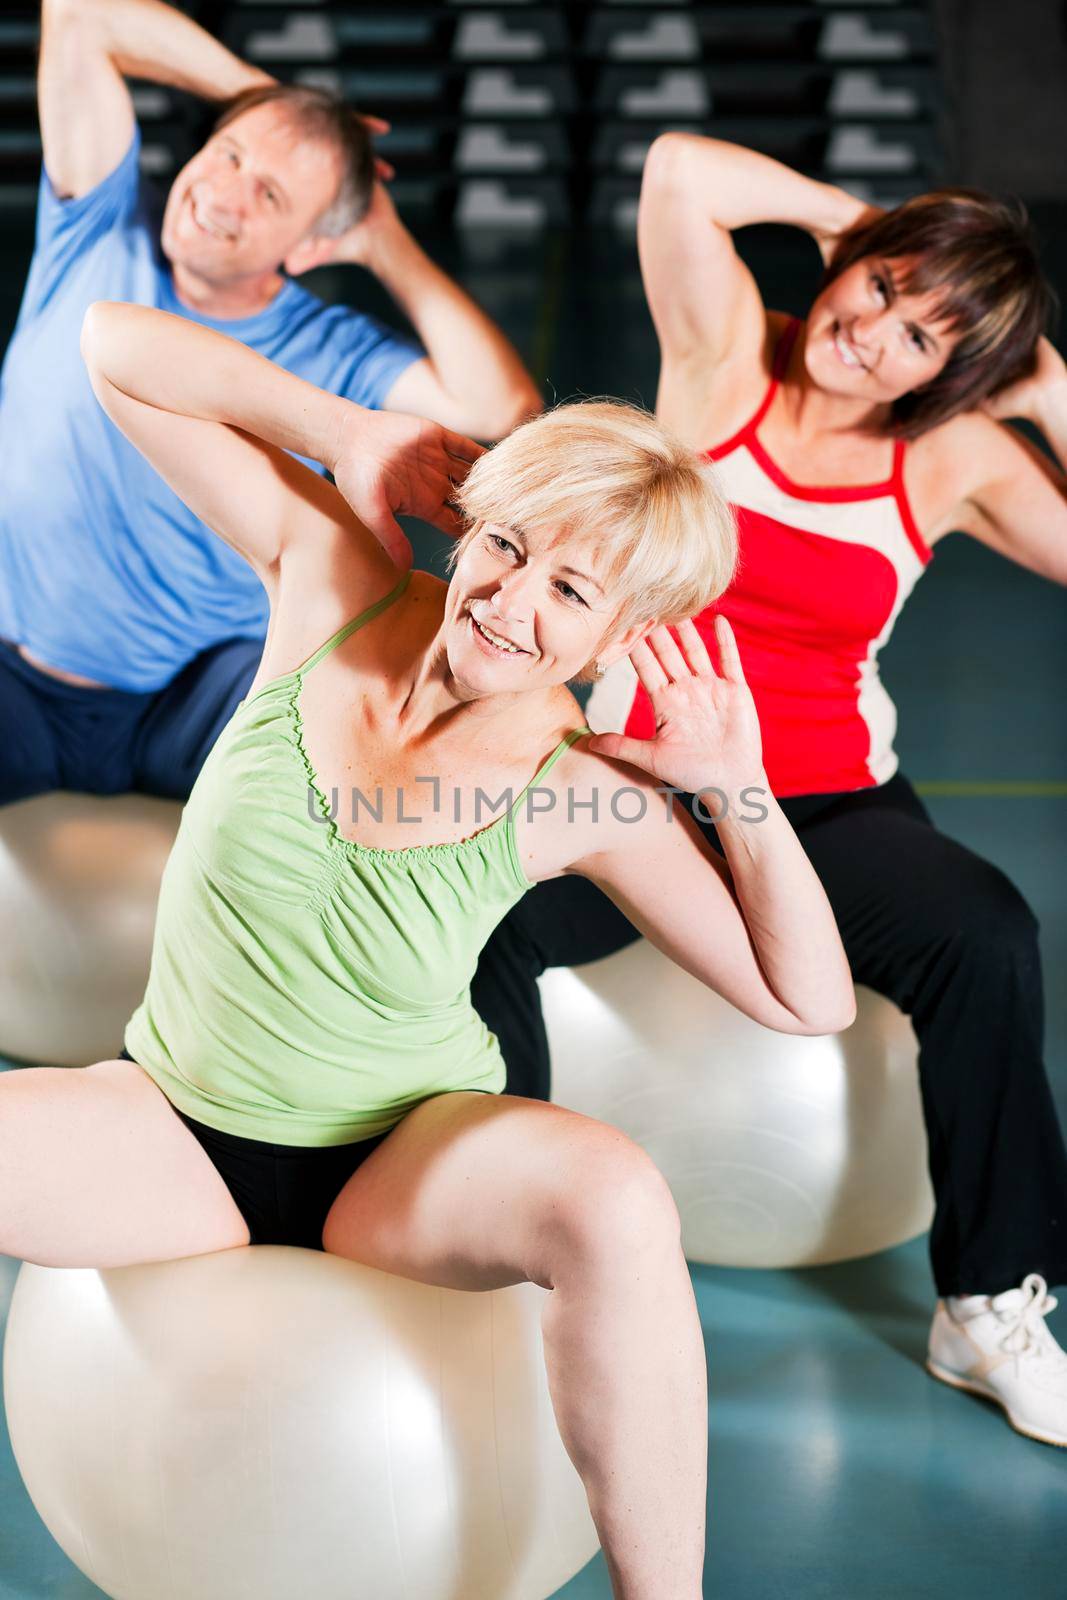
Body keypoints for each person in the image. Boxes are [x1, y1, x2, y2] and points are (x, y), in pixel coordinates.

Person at [0, 296, 854, 1600]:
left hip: (398, 1157)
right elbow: (113, 347)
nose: (510, 604)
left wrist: (737, 790)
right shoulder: (326, 583)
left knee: (615, 1199)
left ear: (621, 636)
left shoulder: (583, 788)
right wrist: (346, 431)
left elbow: (805, 1000)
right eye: (504, 549)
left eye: (569, 592)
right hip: (172, 1117)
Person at [471, 134, 1067, 1449]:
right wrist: (848, 222)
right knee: (485, 915)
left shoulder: (948, 457)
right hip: (638, 780)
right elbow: (679, 170)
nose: (871, 334)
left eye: (921, 336)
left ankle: (983, 1306)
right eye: (881, 287)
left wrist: (1046, 392)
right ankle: (497, 1256)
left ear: (951, 375)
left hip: (828, 805)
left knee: (986, 936)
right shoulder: (723, 356)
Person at [0, 0, 540, 807]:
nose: (221, 195)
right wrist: (278, 108)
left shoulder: (337, 348)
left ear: (313, 246)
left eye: (271, 195)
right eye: (225, 155)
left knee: (360, 768)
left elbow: (503, 413)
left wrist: (382, 238)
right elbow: (81, 13)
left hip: (192, 695)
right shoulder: (98, 227)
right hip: (14, 668)